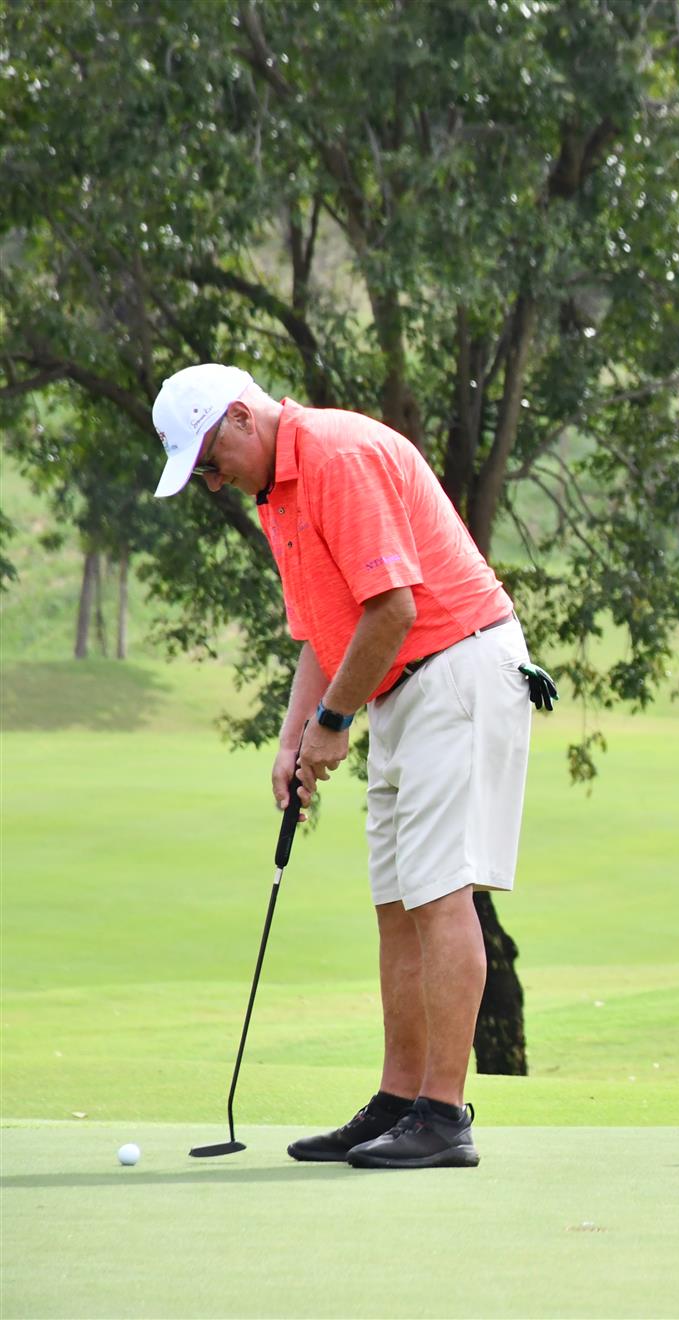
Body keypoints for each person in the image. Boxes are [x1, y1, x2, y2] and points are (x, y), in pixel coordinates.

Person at [151, 364, 552, 1169]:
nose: (211, 480)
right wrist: (293, 738)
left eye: (206, 460)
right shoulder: (280, 497)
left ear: (238, 418)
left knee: (440, 897)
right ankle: (399, 1100)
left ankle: (445, 1115)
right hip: (404, 686)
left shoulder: (336, 455)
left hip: (459, 668)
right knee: (397, 904)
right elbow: (322, 633)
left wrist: (335, 722)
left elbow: (395, 608)